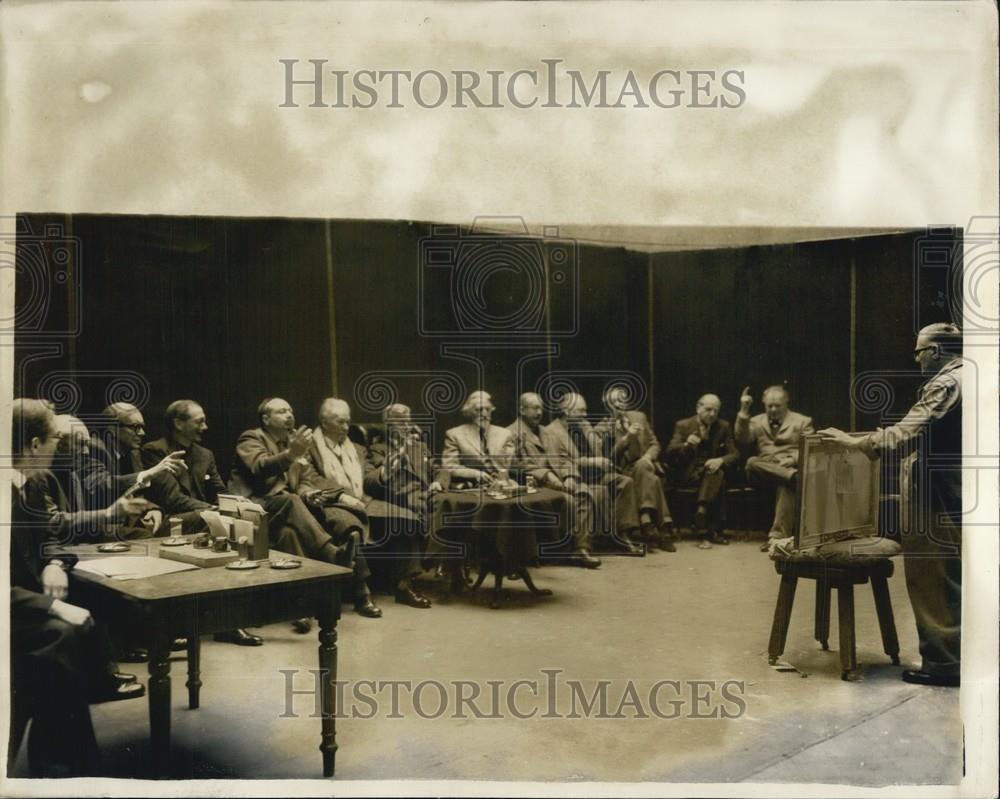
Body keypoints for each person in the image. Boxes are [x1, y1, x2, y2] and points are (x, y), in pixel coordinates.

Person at [820, 322, 963, 688]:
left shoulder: (948, 381)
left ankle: (943, 665)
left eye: (918, 352)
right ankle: (957, 656)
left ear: (934, 352)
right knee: (954, 578)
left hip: (936, 493)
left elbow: (906, 432)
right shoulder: (975, 374)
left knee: (931, 577)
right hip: (959, 489)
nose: (916, 359)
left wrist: (856, 443)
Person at [8, 399, 145, 776]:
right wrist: (50, 606)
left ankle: (71, 763)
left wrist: (53, 563)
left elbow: (50, 538)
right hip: (12, 610)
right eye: (55, 437)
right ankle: (60, 768)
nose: (60, 445)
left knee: (101, 596)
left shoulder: (32, 483)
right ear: (34, 446)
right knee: (58, 636)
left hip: (22, 602)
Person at [231, 397, 381, 619]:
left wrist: (309, 493)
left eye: (290, 410)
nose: (289, 415)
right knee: (291, 501)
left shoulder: (292, 442)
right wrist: (291, 455)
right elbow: (260, 467)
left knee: (293, 532)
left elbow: (304, 479)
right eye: (282, 411)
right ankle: (333, 554)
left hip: (286, 509)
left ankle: (303, 606)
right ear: (266, 419)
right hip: (253, 507)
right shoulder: (252, 437)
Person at [142, 399, 263, 646]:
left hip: (203, 518)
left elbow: (219, 489)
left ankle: (229, 621)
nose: (205, 427)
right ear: (178, 423)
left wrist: (237, 504)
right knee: (223, 525)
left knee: (242, 522)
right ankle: (223, 622)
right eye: (199, 422)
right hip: (168, 524)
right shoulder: (154, 451)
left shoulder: (205, 454)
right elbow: (173, 500)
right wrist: (216, 512)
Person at [308, 398, 432, 609]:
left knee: (407, 519)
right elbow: (311, 478)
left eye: (348, 422)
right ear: (324, 421)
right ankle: (361, 591)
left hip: (363, 500)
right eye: (340, 422)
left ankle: (404, 586)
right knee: (352, 527)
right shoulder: (309, 447)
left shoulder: (356, 448)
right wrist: (342, 495)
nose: (346, 428)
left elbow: (367, 480)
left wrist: (385, 472)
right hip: (330, 504)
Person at [506, 392, 601, 568]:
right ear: (522, 410)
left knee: (584, 492)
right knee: (568, 500)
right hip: (532, 485)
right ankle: (562, 551)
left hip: (558, 482)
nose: (539, 412)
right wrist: (546, 475)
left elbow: (563, 458)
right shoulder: (510, 433)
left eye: (541, 408)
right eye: (534, 408)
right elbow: (516, 465)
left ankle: (581, 549)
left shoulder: (546, 432)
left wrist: (570, 476)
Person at [542, 392, 643, 554]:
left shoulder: (585, 425)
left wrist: (606, 448)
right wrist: (590, 461)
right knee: (596, 491)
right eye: (581, 410)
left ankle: (623, 535)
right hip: (575, 478)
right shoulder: (551, 432)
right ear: (567, 411)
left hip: (597, 474)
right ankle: (584, 547)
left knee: (625, 482)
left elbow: (600, 452)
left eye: (585, 410)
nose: (585, 414)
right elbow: (558, 463)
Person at [593, 387, 675, 551]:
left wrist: (648, 456)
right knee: (654, 480)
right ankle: (663, 529)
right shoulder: (601, 429)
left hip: (643, 465)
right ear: (607, 405)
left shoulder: (639, 417)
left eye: (622, 401)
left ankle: (646, 520)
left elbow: (654, 444)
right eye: (614, 402)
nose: (619, 405)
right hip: (621, 471)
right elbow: (609, 459)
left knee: (644, 467)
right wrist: (626, 438)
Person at [734, 385, 814, 551]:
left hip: (788, 466)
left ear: (786, 403)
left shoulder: (802, 421)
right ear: (764, 404)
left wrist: (792, 459)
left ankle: (776, 538)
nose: (773, 409)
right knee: (751, 462)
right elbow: (742, 439)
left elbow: (810, 448)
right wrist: (743, 411)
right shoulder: (755, 421)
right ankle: (793, 477)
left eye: (777, 405)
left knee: (786, 484)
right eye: (769, 406)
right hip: (763, 471)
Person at [79, 402, 187, 517]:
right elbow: (103, 484)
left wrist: (152, 509)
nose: (142, 433)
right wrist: (151, 472)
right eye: (135, 427)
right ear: (112, 428)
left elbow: (138, 493)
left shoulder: (133, 453)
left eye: (142, 427)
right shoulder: (94, 448)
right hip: (105, 524)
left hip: (132, 520)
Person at [665, 394, 739, 548]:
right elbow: (670, 451)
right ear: (698, 408)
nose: (712, 414)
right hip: (689, 473)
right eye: (708, 409)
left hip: (710, 471)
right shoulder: (683, 425)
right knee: (719, 479)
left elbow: (735, 454)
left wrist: (720, 460)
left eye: (716, 411)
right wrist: (686, 444)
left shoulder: (723, 426)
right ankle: (713, 528)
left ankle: (701, 510)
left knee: (717, 473)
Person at [441, 390, 515, 485]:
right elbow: (449, 466)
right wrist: (476, 474)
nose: (484, 414)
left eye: (487, 409)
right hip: (473, 487)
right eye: (479, 410)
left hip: (503, 485)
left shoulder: (505, 434)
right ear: (469, 412)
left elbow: (513, 465)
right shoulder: (455, 434)